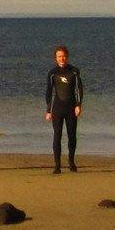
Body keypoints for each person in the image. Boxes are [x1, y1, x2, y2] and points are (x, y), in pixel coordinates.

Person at [45, 45, 84, 173]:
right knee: (57, 136)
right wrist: (48, 111)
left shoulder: (74, 71)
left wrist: (78, 105)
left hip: (71, 108)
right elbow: (49, 92)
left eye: (64, 56)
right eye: (59, 56)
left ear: (67, 57)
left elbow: (78, 89)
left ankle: (71, 162)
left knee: (72, 136)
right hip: (57, 108)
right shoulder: (52, 73)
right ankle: (57, 165)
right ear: (55, 58)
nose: (62, 58)